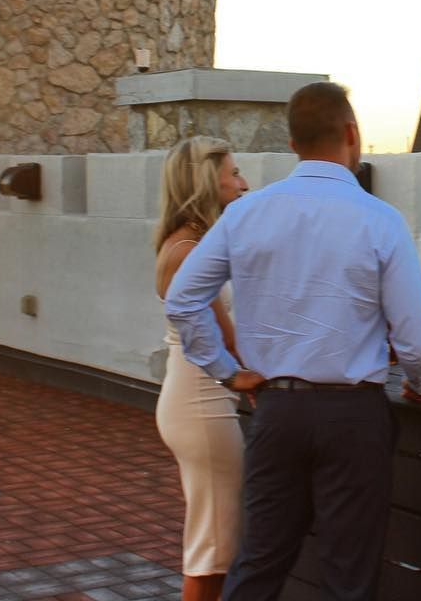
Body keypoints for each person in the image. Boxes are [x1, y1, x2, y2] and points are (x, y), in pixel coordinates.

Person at [166, 82, 421, 601]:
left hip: (277, 410)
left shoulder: (246, 213)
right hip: (354, 416)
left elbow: (183, 299)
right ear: (352, 134)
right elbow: (413, 330)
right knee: (348, 575)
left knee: (260, 563)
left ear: (292, 143)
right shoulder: (380, 220)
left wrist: (227, 370)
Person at [154, 136, 250, 601]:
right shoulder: (191, 249)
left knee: (211, 543)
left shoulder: (190, 241)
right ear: (206, 180)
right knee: (212, 552)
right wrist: (248, 376)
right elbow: (222, 332)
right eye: (233, 173)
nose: (243, 182)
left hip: (195, 401)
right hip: (203, 406)